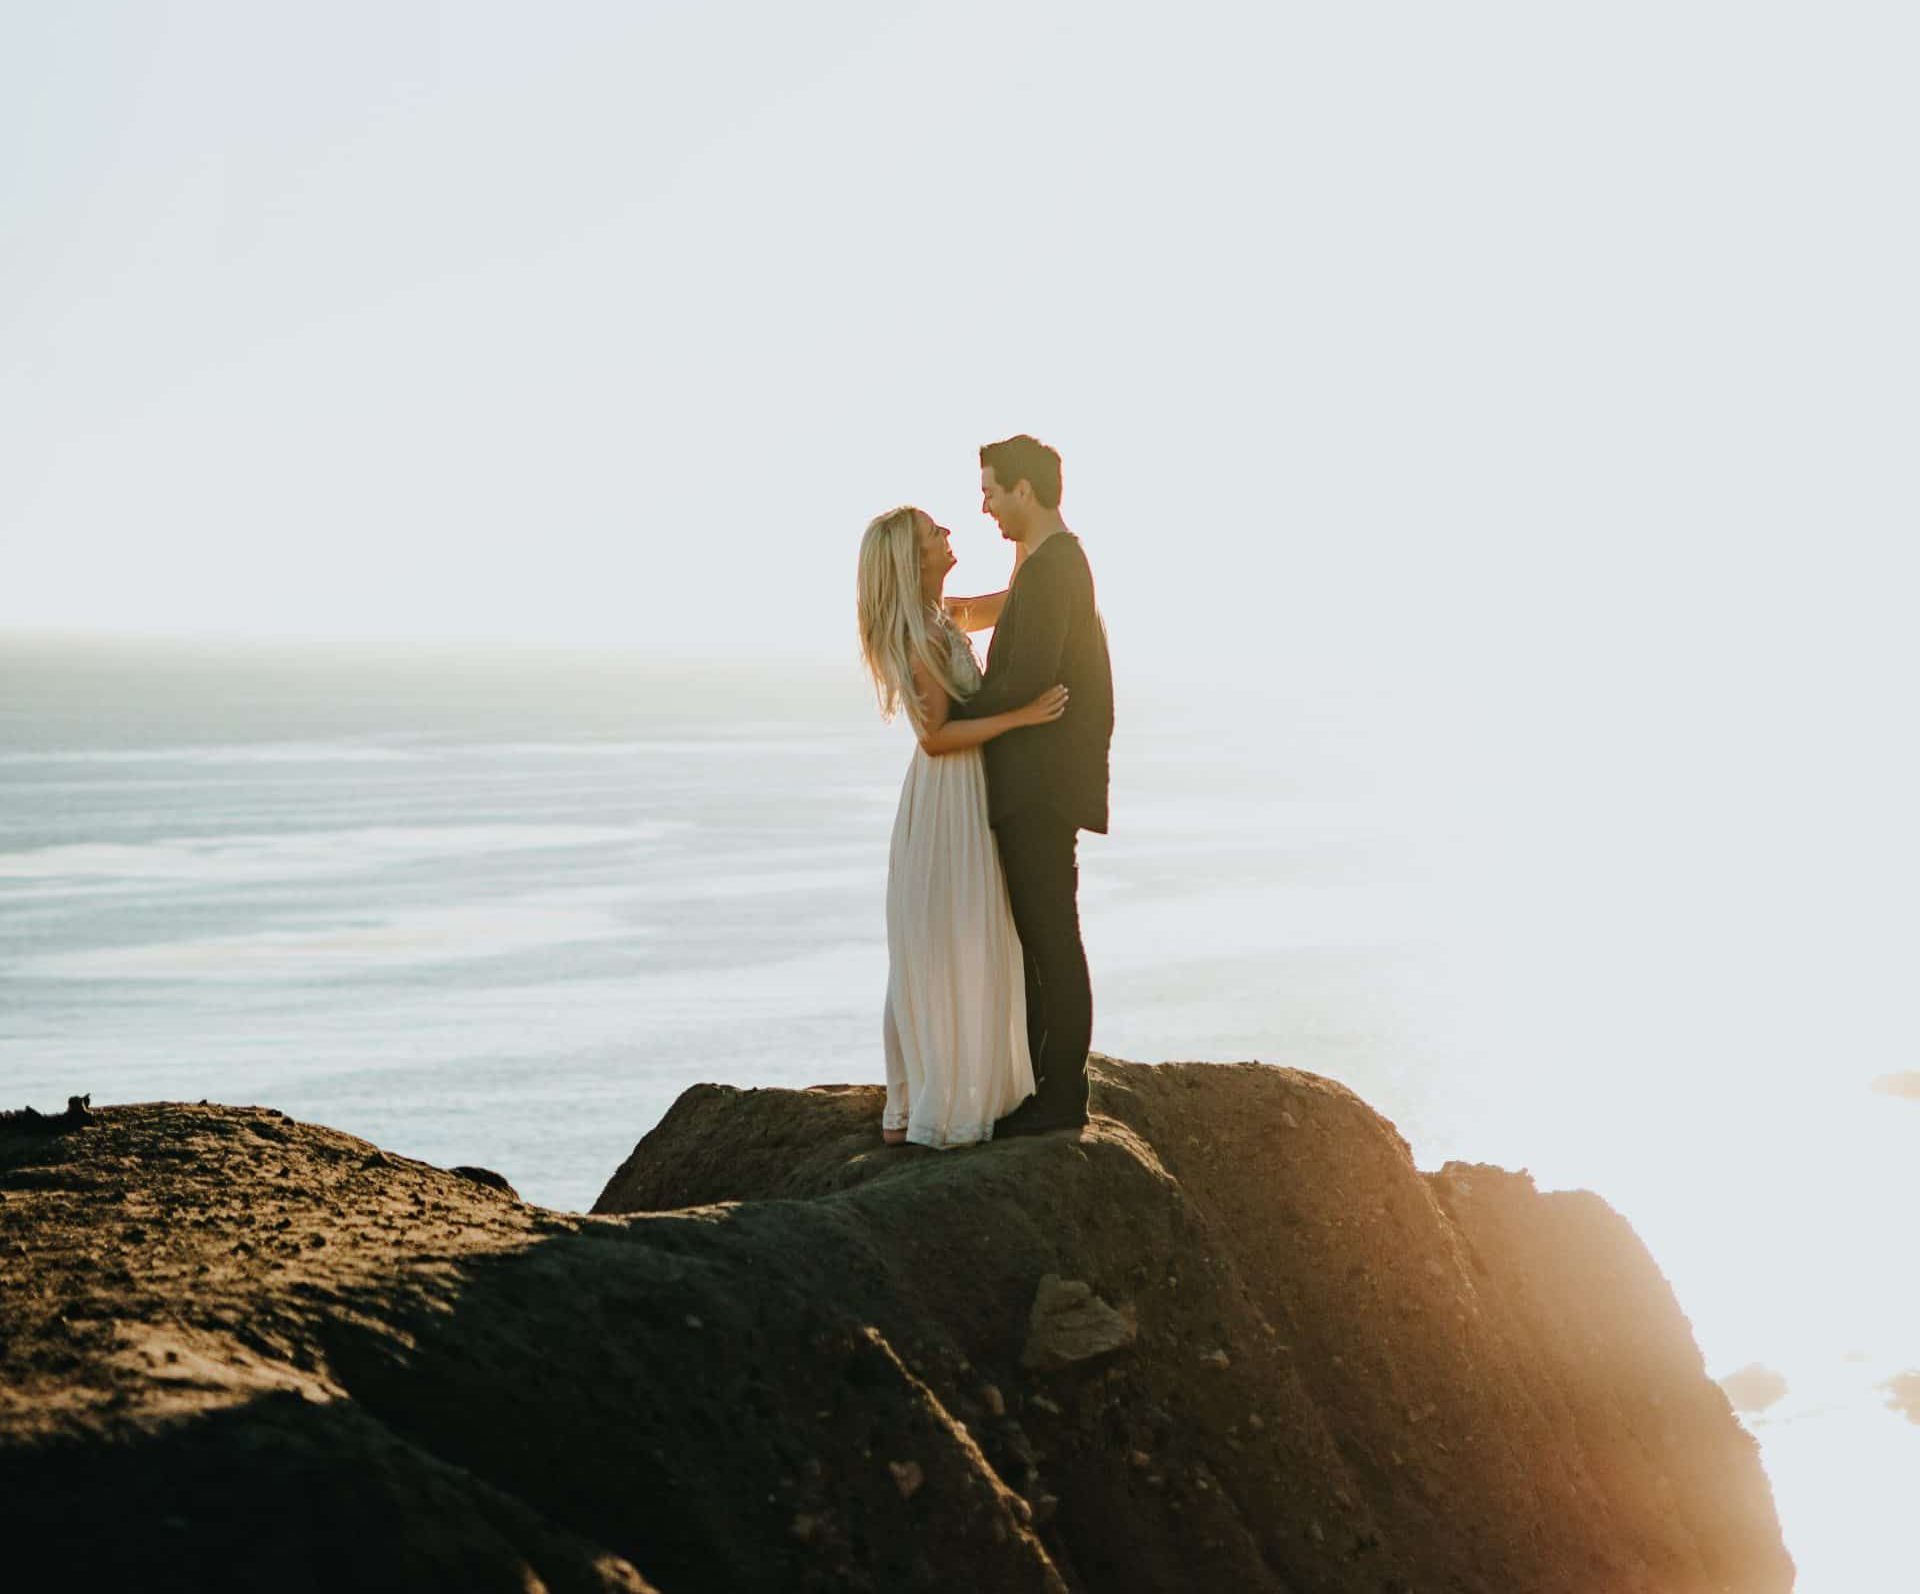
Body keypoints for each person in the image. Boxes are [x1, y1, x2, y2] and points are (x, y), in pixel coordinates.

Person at [855, 506, 1067, 1147]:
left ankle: (935, 1089)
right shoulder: (920, 632)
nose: (949, 534)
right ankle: (938, 1100)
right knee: (953, 934)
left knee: (955, 933)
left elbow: (1011, 601)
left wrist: (1031, 532)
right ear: (913, 558)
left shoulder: (945, 615)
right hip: (951, 792)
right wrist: (1023, 716)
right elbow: (938, 737)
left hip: (962, 791)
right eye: (933, 533)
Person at [951, 435, 1114, 1137]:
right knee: (1043, 939)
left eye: (990, 489)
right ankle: (1047, 1088)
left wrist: (950, 717)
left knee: (1050, 938)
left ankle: (1061, 1098)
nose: (984, 505)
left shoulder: (1055, 569)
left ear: (1024, 488)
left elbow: (1027, 678)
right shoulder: (1046, 564)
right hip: (1039, 781)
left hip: (1042, 786)